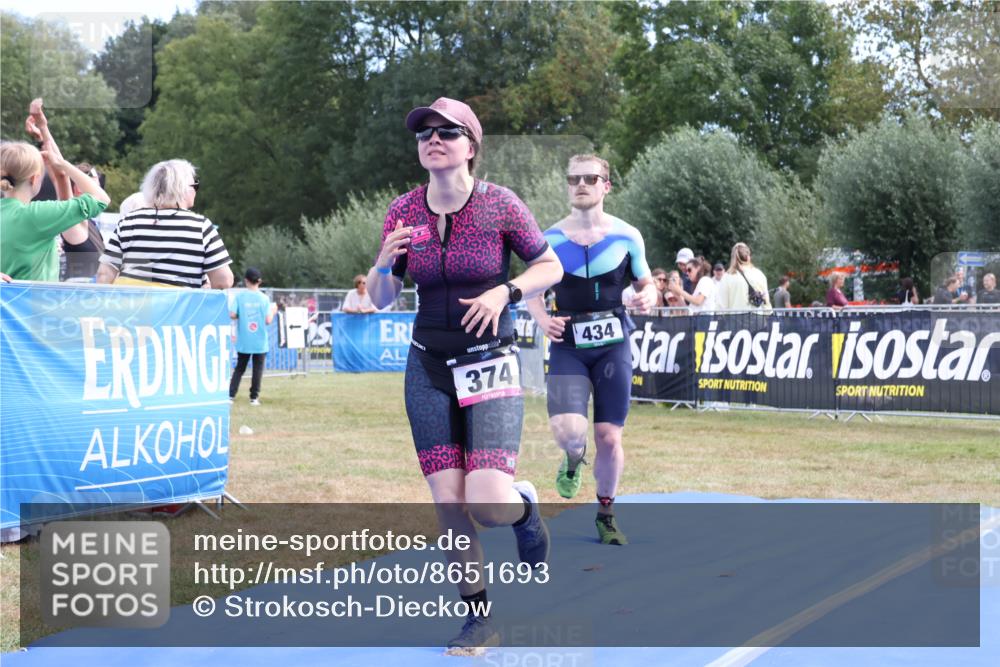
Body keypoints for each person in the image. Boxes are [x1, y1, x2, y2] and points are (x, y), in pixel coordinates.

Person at [366, 97, 563, 652]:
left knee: (487, 503)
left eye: (447, 132)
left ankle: (523, 510)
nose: (433, 139)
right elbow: (382, 299)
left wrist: (507, 290)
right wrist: (382, 264)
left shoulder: (500, 205)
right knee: (449, 503)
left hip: (489, 363)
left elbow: (551, 265)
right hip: (427, 366)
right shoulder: (403, 211)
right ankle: (478, 615)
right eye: (424, 133)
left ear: (470, 147)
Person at [525, 153, 657, 548]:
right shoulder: (548, 239)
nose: (581, 184)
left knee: (610, 437)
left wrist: (648, 296)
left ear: (606, 186)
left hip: (613, 345)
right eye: (574, 179)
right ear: (567, 186)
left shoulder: (627, 236)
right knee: (570, 434)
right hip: (568, 345)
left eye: (590, 178)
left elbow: (646, 282)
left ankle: (606, 513)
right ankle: (571, 458)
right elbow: (533, 289)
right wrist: (541, 319)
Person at [97, 159, 233, 288]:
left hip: (133, 310)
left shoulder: (128, 222)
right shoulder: (201, 227)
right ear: (183, 189)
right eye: (195, 185)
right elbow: (223, 281)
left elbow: (104, 275)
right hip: (181, 311)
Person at [1, 142, 110, 281]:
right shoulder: (37, 214)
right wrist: (63, 164)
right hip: (35, 301)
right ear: (34, 179)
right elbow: (101, 199)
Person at [229, 267, 277, 406]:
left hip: (244, 340)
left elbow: (232, 314)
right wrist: (273, 311)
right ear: (259, 281)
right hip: (260, 340)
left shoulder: (240, 297)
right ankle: (254, 398)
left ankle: (231, 395)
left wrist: (242, 315)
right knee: (257, 369)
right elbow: (268, 320)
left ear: (246, 281)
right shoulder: (264, 298)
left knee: (239, 368)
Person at [60, 162, 107, 281]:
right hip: (76, 294)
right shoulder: (73, 218)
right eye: (96, 187)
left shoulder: (89, 221)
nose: (100, 191)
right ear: (78, 188)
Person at [717, 242, 771, 311]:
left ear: (733, 257)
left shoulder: (727, 277)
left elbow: (721, 305)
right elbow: (766, 302)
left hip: (735, 318)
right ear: (748, 256)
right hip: (758, 317)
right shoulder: (759, 274)